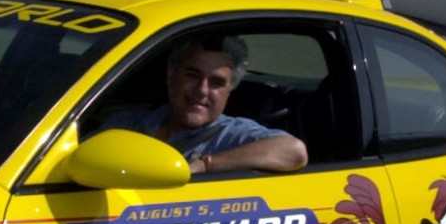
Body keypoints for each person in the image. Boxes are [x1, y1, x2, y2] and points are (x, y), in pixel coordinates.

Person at [101, 34, 308, 173]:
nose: (201, 90)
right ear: (171, 74)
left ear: (230, 89)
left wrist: (206, 165)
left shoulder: (232, 134)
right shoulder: (129, 122)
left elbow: (294, 151)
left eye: (216, 83)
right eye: (192, 75)